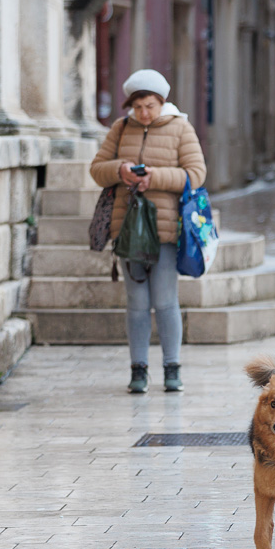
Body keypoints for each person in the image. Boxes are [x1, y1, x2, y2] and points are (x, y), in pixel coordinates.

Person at [89, 69, 206, 394]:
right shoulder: (120, 128)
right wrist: (120, 170)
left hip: (165, 230)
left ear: (161, 103)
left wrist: (155, 178)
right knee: (136, 302)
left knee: (166, 300)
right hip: (128, 229)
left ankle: (172, 368)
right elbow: (97, 169)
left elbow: (196, 174)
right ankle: (138, 370)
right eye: (138, 106)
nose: (144, 112)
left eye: (150, 105)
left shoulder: (180, 127)